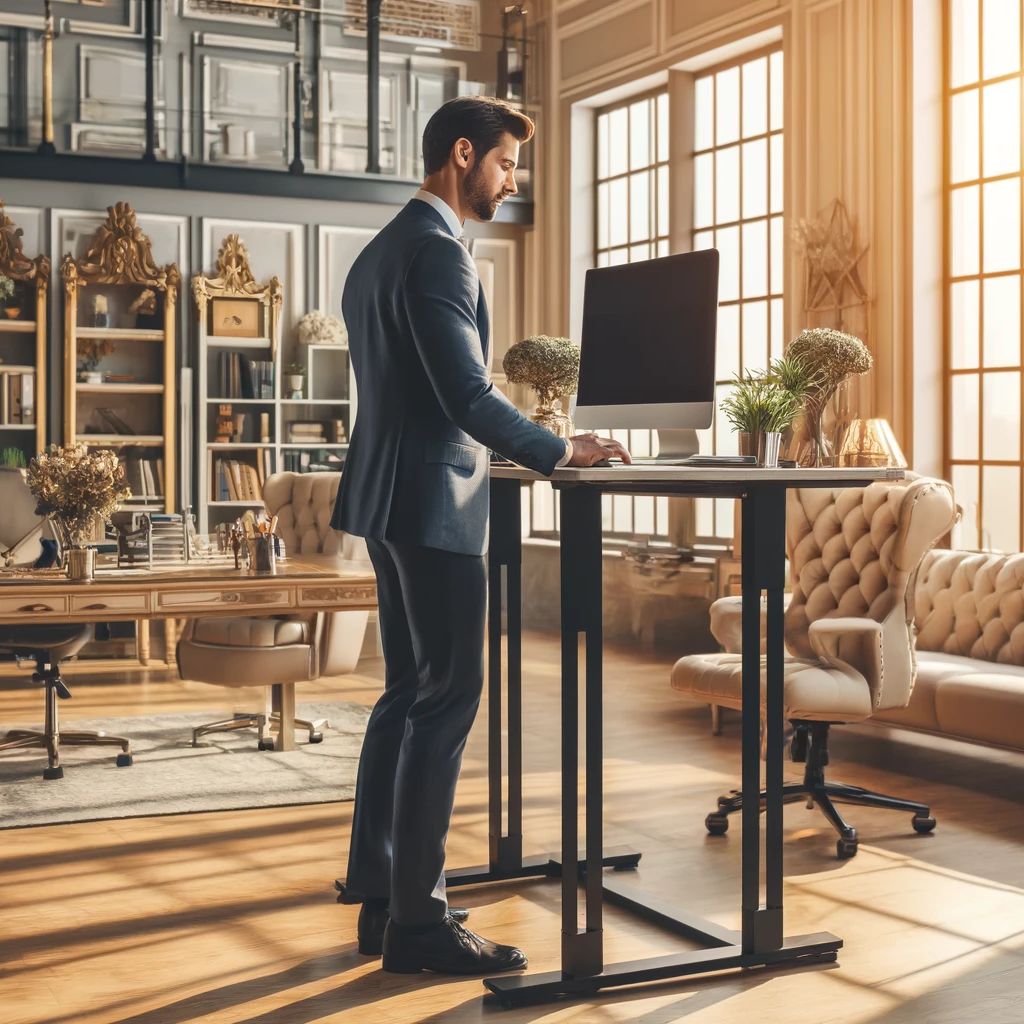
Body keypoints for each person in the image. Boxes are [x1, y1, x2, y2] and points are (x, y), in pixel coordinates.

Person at [332, 95, 631, 976]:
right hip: (431, 502)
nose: (510, 181)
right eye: (504, 164)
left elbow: (415, 391)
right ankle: (421, 927)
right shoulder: (438, 255)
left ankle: (381, 896)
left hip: (385, 499)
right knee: (450, 694)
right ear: (462, 155)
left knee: (404, 695)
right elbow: (465, 395)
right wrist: (556, 448)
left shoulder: (376, 255)